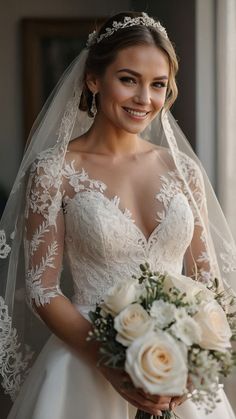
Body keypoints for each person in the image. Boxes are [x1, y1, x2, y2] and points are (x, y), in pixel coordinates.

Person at [0, 11, 235, 419]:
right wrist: (113, 364)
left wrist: (193, 356)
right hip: (85, 361)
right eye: (129, 79)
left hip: (175, 366)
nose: (144, 99)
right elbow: (43, 290)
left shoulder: (183, 171)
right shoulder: (53, 170)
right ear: (94, 79)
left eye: (157, 84)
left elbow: (207, 279)